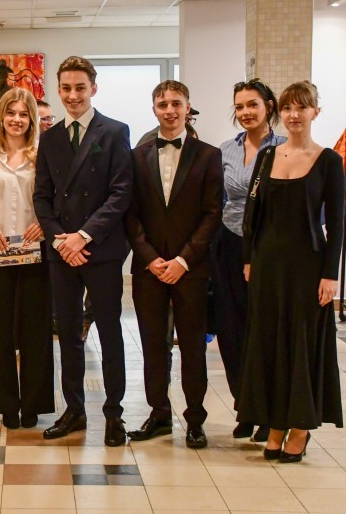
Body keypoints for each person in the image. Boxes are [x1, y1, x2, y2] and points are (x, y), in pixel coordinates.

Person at [238, 81, 344, 463]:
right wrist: (249, 260)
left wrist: (331, 275)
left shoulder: (328, 161)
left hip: (307, 266)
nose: (294, 115)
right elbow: (252, 214)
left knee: (302, 344)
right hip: (267, 264)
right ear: (278, 112)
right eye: (287, 108)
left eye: (302, 107)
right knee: (269, 343)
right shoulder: (268, 156)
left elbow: (337, 222)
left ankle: (299, 427)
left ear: (316, 112)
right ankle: (275, 422)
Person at [33, 56, 132, 446]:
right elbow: (42, 197)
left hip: (100, 249)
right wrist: (61, 239)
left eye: (80, 87)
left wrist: (84, 236)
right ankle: (74, 410)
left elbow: (121, 193)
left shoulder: (115, 131)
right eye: (66, 88)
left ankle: (114, 413)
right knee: (69, 334)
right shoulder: (50, 138)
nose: (73, 95)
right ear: (58, 90)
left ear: (93, 88)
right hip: (62, 252)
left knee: (109, 332)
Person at [124, 80, 223, 449]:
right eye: (162, 104)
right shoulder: (136, 156)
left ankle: (195, 419)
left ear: (187, 107)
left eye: (176, 103)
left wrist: (183, 259)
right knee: (153, 345)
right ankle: (159, 414)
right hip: (148, 269)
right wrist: (150, 258)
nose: (169, 110)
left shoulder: (209, 155)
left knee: (193, 347)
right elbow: (129, 214)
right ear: (154, 109)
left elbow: (212, 214)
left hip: (191, 268)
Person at [0, 88, 54, 429]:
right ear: (1, 117)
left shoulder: (43, 156)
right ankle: (6, 404)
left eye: (23, 114)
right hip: (1, 251)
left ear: (32, 119)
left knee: (36, 329)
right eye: (11, 113)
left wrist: (45, 224)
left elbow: (55, 200)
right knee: (0, 329)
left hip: (36, 251)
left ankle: (33, 404)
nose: (17, 119)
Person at [216, 78, 285, 442]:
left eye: (252, 105)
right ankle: (245, 405)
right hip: (229, 243)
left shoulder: (284, 148)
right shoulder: (226, 149)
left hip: (268, 246)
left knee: (265, 330)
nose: (245, 112)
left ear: (268, 106)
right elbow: (218, 198)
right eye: (240, 107)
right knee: (232, 330)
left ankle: (269, 410)